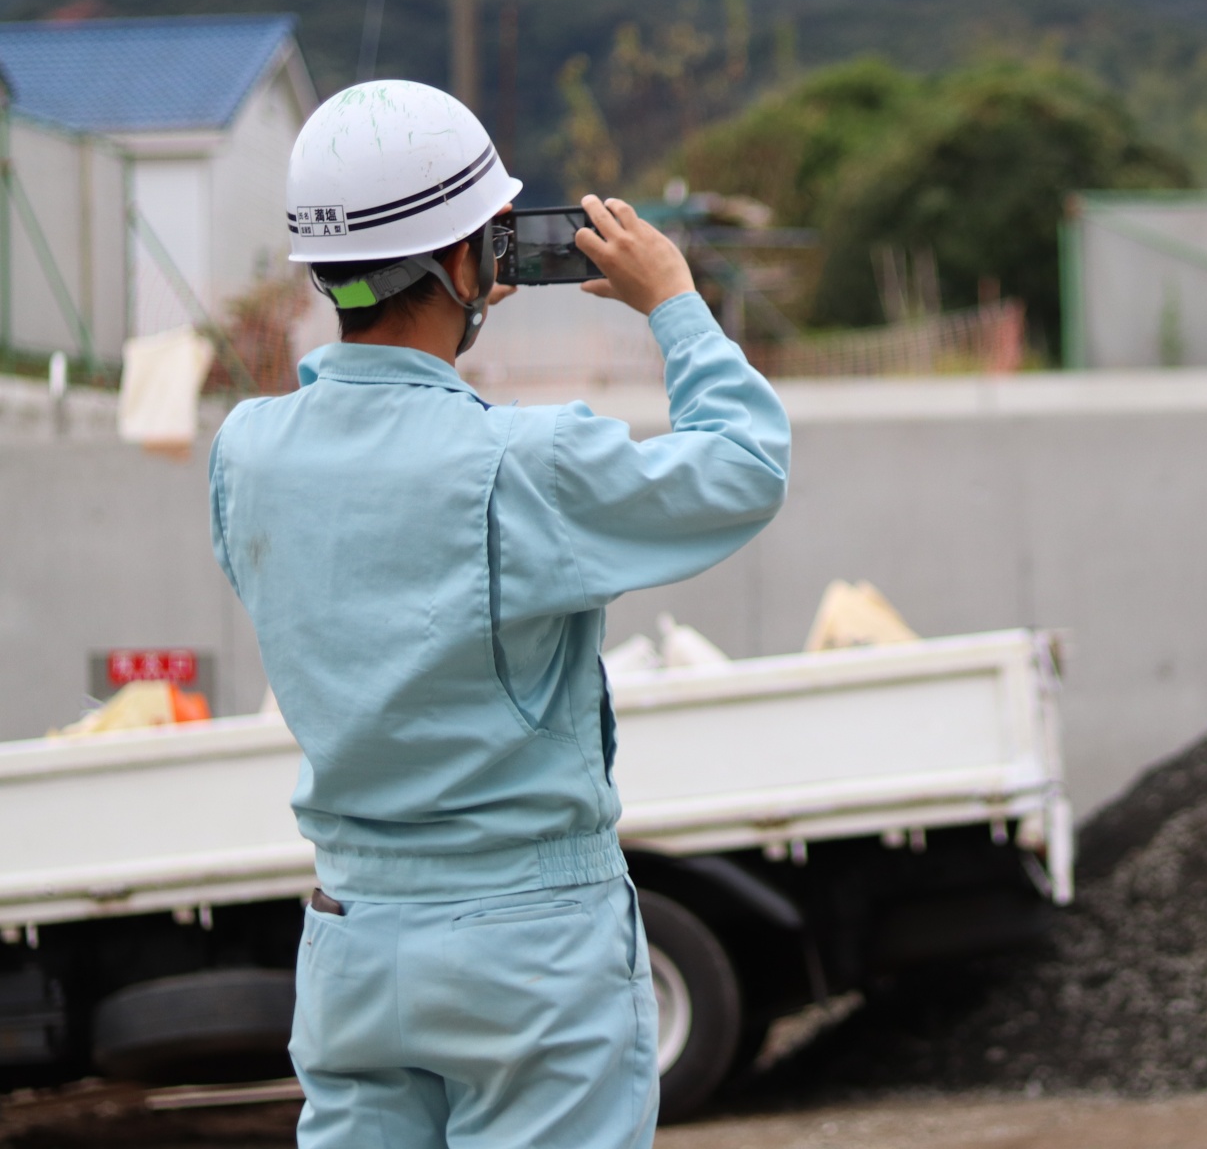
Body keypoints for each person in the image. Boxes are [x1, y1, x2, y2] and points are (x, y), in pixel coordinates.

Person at [208, 81, 790, 1148]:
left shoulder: (248, 451)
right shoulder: (527, 461)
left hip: (353, 939)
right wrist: (673, 299)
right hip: (528, 948)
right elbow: (745, 465)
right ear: (471, 258)